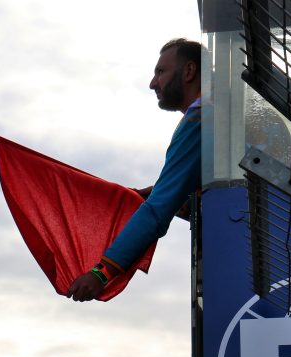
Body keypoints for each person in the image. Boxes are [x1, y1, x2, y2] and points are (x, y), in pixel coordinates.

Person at [67, 38, 202, 302]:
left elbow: (156, 212)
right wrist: (165, 197)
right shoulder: (223, 112)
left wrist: (101, 273)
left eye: (161, 72)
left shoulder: (200, 119)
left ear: (188, 71)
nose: (153, 83)